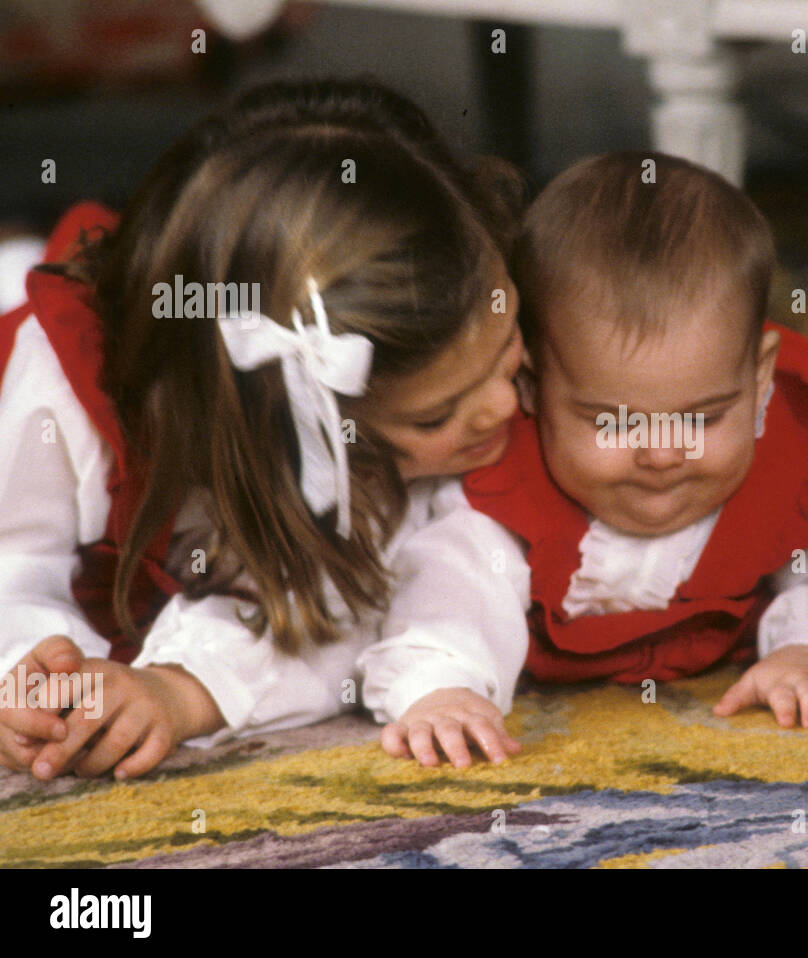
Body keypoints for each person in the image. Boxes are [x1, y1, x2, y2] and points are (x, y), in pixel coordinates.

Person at [0, 78, 526, 780]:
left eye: (511, 355)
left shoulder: (410, 445)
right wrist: (36, 673)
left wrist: (177, 690)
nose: (504, 407)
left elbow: (342, 615)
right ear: (281, 422)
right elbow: (13, 564)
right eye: (436, 414)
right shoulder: (60, 396)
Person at [361, 151, 808, 767]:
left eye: (703, 418)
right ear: (531, 384)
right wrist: (443, 687)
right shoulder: (502, 482)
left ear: (759, 377)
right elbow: (454, 585)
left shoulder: (800, 457)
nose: (662, 453)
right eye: (614, 422)